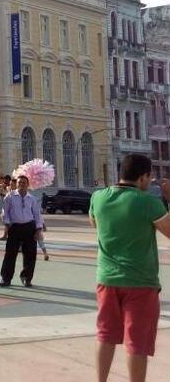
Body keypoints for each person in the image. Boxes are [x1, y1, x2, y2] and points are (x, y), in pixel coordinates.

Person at [90, 154, 170, 382]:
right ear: (143, 177)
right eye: (150, 177)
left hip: (107, 279)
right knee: (137, 343)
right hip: (140, 282)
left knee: (105, 335)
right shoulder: (147, 201)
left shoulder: (98, 197)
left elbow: (94, 223)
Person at [0, 175, 42, 287]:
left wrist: (38, 229)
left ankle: (27, 278)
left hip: (29, 228)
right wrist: (8, 223)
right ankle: (6, 278)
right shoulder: (10, 196)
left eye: (24, 182)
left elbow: (37, 215)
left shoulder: (32, 198)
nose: (21, 184)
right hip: (15, 227)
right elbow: (5, 212)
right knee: (10, 254)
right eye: (19, 182)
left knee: (30, 254)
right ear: (16, 184)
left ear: (28, 184)